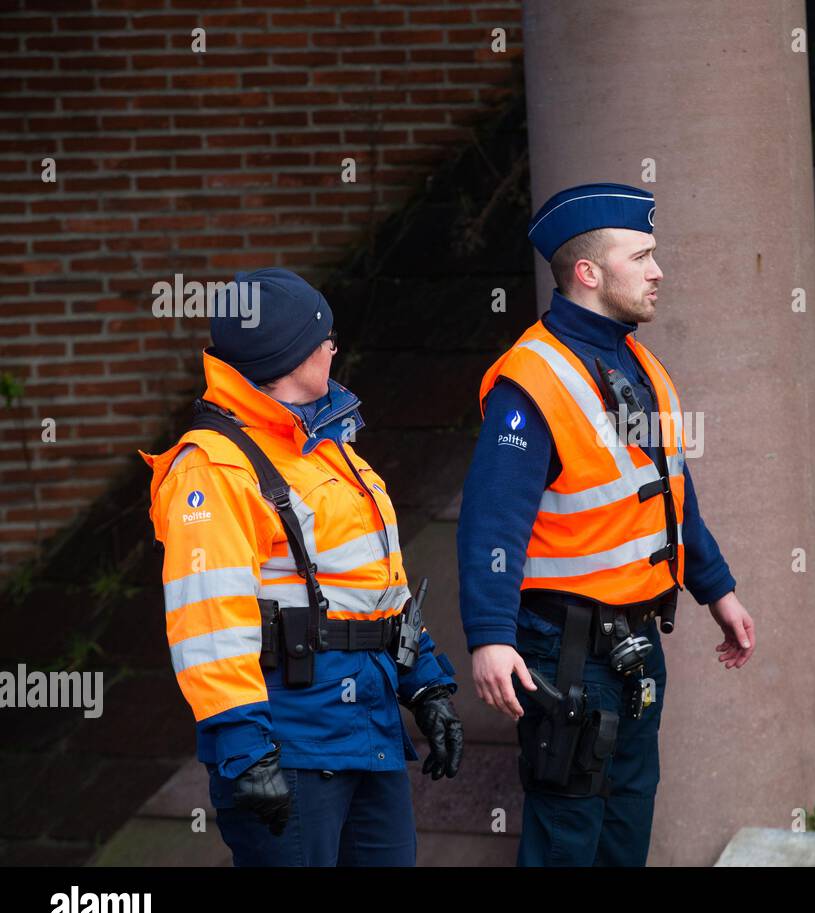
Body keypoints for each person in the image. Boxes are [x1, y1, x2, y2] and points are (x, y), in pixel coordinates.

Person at [457, 183, 756, 866]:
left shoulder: (636, 360)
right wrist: (489, 638)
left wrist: (717, 590)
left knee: (623, 842)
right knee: (567, 847)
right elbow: (490, 527)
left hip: (634, 647)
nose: (659, 271)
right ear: (589, 273)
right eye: (641, 256)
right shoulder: (531, 381)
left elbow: (669, 494)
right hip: (563, 655)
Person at [140, 268, 464, 866]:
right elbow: (210, 622)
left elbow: (373, 587)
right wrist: (244, 746)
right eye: (326, 337)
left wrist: (427, 685)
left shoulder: (323, 445)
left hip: (366, 732)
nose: (334, 348)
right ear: (292, 353)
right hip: (287, 745)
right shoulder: (214, 468)